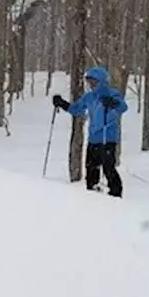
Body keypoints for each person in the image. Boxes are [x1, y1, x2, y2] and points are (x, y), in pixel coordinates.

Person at [52, 65, 128, 198]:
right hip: (94, 139)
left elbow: (122, 107)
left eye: (94, 82)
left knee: (108, 168)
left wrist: (113, 103)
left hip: (108, 138)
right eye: (90, 82)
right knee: (91, 168)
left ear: (102, 82)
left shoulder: (112, 93)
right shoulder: (89, 97)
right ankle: (92, 194)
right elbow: (76, 109)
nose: (91, 85)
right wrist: (62, 103)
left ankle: (116, 194)